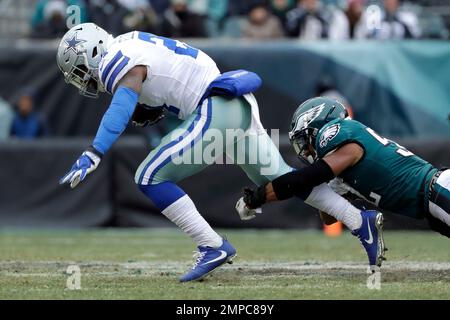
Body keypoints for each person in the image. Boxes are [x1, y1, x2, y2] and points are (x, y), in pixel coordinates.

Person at [57, 23, 383, 282]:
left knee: (148, 175)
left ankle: (212, 245)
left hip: (217, 106)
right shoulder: (128, 42)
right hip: (233, 102)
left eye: (81, 70)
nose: (84, 80)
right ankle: (359, 220)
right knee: (283, 178)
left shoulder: (117, 58)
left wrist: (94, 151)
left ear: (92, 52)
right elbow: (164, 77)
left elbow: (122, 103)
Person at [242, 97, 450, 249]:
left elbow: (307, 178)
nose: (305, 150)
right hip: (431, 205)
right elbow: (328, 217)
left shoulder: (335, 132)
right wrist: (331, 188)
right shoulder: (342, 163)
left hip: (438, 191)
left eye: (305, 141)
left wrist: (261, 196)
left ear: (318, 127)